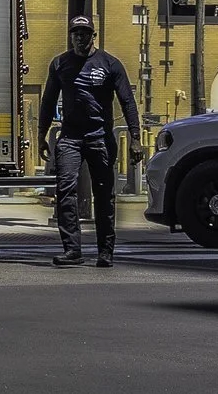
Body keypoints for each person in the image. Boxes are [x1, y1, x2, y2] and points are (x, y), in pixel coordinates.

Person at [36, 15, 141, 267]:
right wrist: (41, 134)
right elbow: (48, 101)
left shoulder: (110, 64)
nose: (80, 38)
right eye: (76, 34)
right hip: (70, 138)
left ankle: (105, 251)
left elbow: (127, 101)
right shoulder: (60, 64)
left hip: (100, 137)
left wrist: (135, 138)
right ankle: (72, 250)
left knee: (104, 194)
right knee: (65, 190)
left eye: (85, 33)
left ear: (94, 36)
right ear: (71, 37)